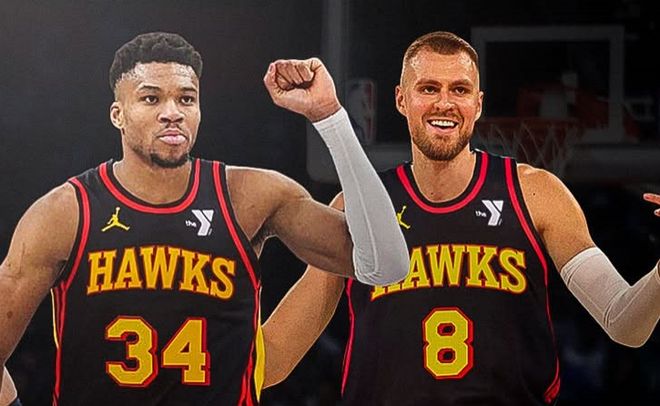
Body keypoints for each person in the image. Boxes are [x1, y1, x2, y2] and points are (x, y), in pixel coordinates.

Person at [0, 32, 409, 405]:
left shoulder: (250, 197)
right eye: (151, 99)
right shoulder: (65, 213)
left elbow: (386, 265)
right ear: (117, 114)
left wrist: (330, 117)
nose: (172, 112)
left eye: (186, 99)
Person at [262, 31, 660, 405]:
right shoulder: (356, 209)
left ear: (478, 103)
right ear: (401, 99)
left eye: (460, 89)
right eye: (428, 88)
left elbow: (624, 322)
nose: (444, 103)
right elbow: (274, 358)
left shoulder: (535, 194)